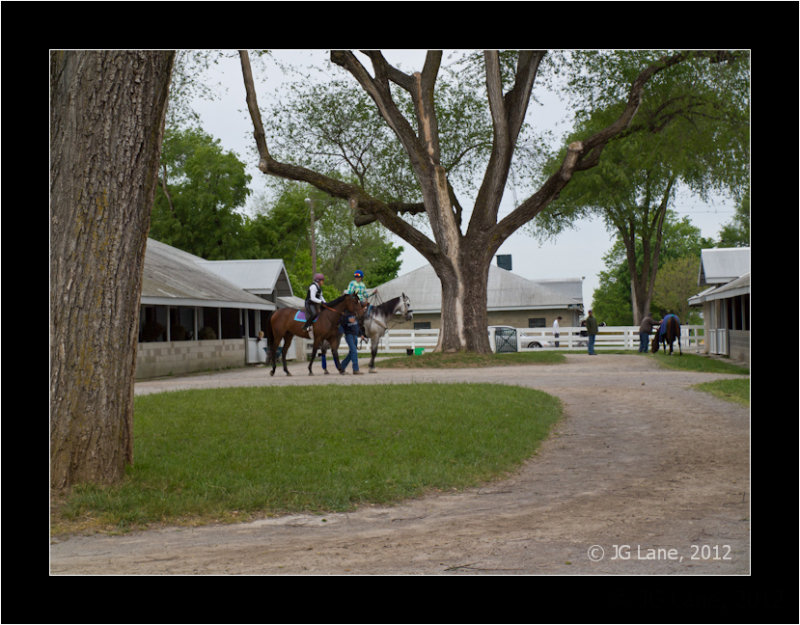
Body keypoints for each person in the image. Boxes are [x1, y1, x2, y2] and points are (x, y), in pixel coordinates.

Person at [346, 269, 375, 339]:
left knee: (370, 308)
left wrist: (373, 293)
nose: (357, 278)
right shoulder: (352, 283)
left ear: (361, 278)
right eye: (356, 277)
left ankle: (368, 327)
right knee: (358, 312)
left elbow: (365, 294)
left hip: (361, 301)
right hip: (354, 301)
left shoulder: (362, 285)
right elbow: (349, 292)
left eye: (358, 277)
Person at [338, 307, 362, 375]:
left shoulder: (355, 315)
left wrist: (361, 334)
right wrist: (341, 332)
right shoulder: (344, 316)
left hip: (355, 336)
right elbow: (341, 326)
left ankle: (342, 366)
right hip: (349, 336)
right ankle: (356, 369)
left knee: (351, 353)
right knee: (354, 351)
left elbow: (357, 326)